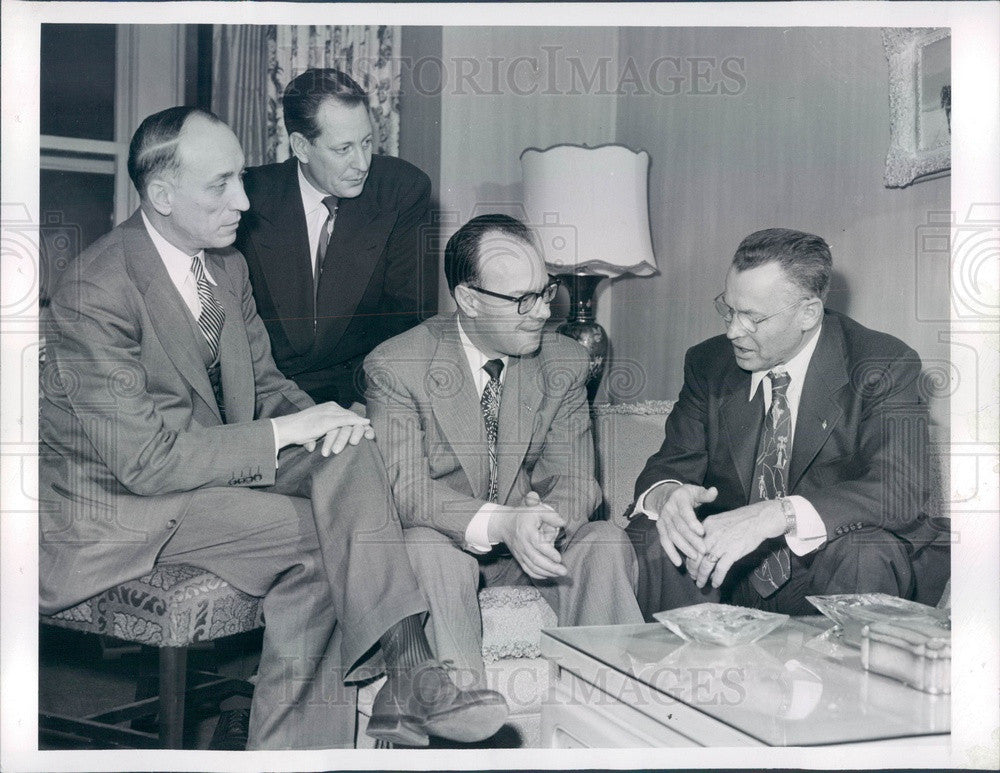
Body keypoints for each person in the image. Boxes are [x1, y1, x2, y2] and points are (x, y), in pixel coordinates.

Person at [39, 106, 506, 750]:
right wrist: (290, 433)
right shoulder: (97, 289)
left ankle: (396, 683)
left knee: (351, 453)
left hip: (207, 471)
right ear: (162, 194)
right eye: (221, 184)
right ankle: (395, 680)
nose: (244, 201)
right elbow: (146, 462)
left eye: (242, 180)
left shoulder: (224, 268)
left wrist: (329, 423)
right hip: (119, 505)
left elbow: (263, 387)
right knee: (327, 537)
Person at [364, 214, 643, 690]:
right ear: (468, 300)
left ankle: (609, 716)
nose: (541, 312)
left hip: (531, 549)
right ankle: (459, 715)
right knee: (424, 548)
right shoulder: (396, 366)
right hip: (446, 547)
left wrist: (544, 521)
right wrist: (501, 523)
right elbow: (406, 491)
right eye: (522, 300)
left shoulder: (564, 361)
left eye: (545, 291)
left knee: (604, 541)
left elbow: (576, 480)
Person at [625, 228, 950, 618]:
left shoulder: (882, 364)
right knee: (655, 535)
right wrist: (668, 496)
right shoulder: (709, 364)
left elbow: (899, 488)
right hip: (725, 572)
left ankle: (839, 678)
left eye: (753, 317)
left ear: (808, 313)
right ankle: (679, 675)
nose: (732, 330)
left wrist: (775, 514)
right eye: (728, 309)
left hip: (825, 568)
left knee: (865, 548)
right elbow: (668, 466)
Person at [235, 68, 431, 407]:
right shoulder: (248, 198)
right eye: (343, 149)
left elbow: (402, 318)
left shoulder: (400, 189)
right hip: (270, 395)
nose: (362, 163)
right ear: (301, 147)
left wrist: (373, 400)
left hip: (357, 392)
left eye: (367, 142)